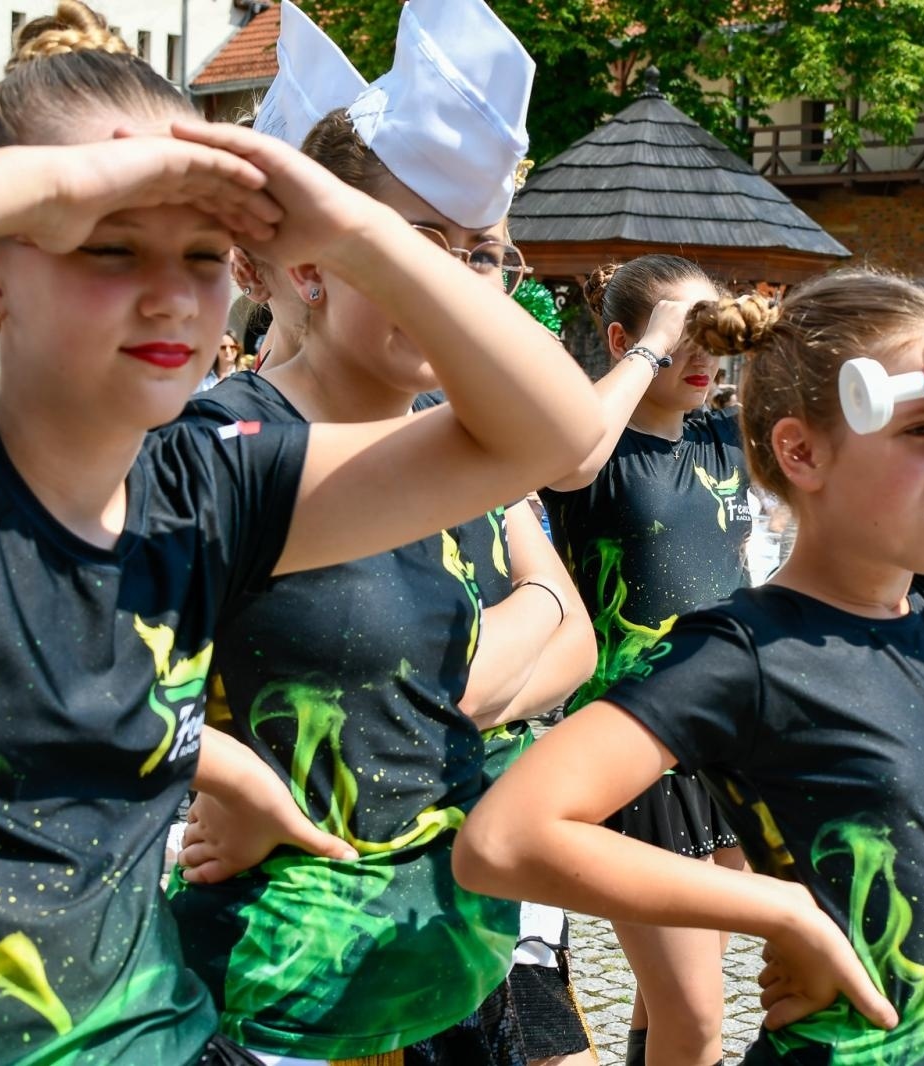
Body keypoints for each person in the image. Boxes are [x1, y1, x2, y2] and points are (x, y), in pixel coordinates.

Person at [0, 3, 602, 1062]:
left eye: (205, 254)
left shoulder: (214, 485)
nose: (168, 298)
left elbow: (551, 435)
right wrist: (48, 182)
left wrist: (359, 229)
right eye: (108, 247)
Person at [456, 266, 924, 1064]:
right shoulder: (742, 652)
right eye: (922, 430)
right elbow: (503, 839)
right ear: (801, 452)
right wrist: (782, 913)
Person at [164, 5, 597, 1062]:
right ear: (311, 264)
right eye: (417, 247)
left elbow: (564, 647)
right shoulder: (225, 445)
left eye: (479, 256)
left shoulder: (469, 450)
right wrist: (225, 771)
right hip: (267, 999)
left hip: (450, 973)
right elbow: (99, 667)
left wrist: (507, 641)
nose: (452, 280)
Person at [537, 254, 750, 1066]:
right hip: (639, 743)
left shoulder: (723, 439)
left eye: (712, 335)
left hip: (730, 737)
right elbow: (565, 458)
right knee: (695, 1017)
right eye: (681, 334)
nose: (702, 353)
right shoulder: (595, 448)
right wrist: (655, 345)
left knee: (675, 995)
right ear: (626, 338)